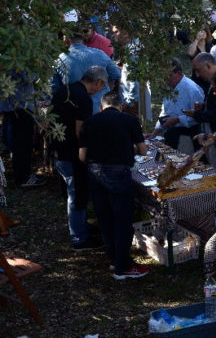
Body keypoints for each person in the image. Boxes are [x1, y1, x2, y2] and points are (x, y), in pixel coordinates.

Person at [78, 91, 149, 279]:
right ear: (121, 106)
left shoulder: (90, 122)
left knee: (105, 217)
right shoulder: (129, 120)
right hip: (118, 172)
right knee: (122, 219)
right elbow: (142, 150)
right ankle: (123, 266)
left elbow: (82, 156)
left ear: (101, 107)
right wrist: (128, 148)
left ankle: (114, 259)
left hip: (94, 172)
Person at [50, 65, 107, 251]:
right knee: (76, 193)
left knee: (73, 191)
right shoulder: (83, 99)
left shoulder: (65, 89)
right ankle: (79, 237)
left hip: (58, 147)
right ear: (97, 82)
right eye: (101, 86)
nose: (100, 90)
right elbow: (80, 131)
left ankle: (81, 226)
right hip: (71, 153)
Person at [53, 30, 121, 114]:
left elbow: (54, 88)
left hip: (74, 110)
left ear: (67, 38)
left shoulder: (59, 59)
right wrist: (105, 88)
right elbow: (116, 74)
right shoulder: (100, 54)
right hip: (100, 108)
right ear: (83, 38)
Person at [146, 58, 205, 151]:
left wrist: (178, 119)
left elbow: (199, 116)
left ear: (179, 73)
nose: (165, 80)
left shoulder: (192, 89)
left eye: (168, 76)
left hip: (189, 136)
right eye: (163, 76)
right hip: (172, 134)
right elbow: (165, 111)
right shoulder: (169, 87)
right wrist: (154, 133)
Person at [187, 52, 216, 172]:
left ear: (208, 66)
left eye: (198, 70)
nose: (197, 74)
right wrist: (204, 106)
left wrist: (197, 115)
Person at [0, 70, 40, 187]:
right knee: (22, 144)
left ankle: (18, 173)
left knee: (13, 142)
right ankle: (23, 178)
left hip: (9, 105)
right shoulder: (20, 57)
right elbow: (32, 77)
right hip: (21, 106)